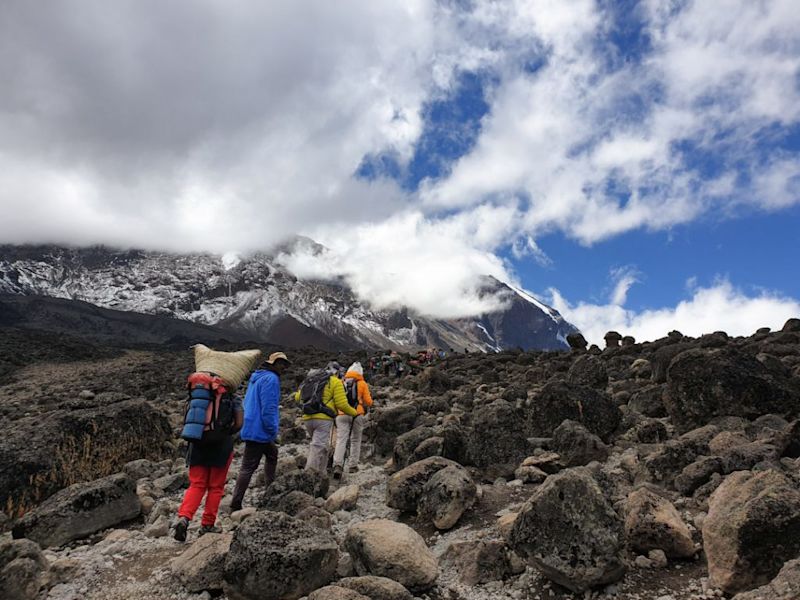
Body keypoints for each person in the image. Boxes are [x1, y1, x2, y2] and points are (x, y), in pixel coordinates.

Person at [174, 385, 243, 541]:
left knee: (196, 485)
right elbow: (239, 423)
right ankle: (207, 524)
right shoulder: (232, 396)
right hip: (221, 446)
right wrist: (225, 433)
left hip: (197, 444)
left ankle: (184, 518)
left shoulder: (197, 394)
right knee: (215, 487)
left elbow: (187, 419)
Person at [228, 351, 291, 512]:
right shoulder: (271, 379)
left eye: (285, 364)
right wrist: (272, 429)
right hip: (260, 429)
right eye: (280, 363)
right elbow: (268, 408)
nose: (283, 367)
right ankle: (236, 502)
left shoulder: (257, 377)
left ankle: (269, 490)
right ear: (273, 364)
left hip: (250, 426)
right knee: (248, 466)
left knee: (271, 454)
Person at [296, 361, 358, 473]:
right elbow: (342, 404)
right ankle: (309, 476)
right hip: (323, 419)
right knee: (318, 446)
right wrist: (354, 412)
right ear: (337, 372)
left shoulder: (311, 380)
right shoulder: (335, 382)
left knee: (322, 446)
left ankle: (322, 474)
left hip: (307, 417)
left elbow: (297, 397)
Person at [332, 362, 373, 479]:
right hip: (357, 414)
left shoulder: (341, 382)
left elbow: (336, 399)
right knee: (356, 439)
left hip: (342, 413)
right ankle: (353, 466)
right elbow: (369, 402)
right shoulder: (362, 383)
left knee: (341, 439)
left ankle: (337, 465)